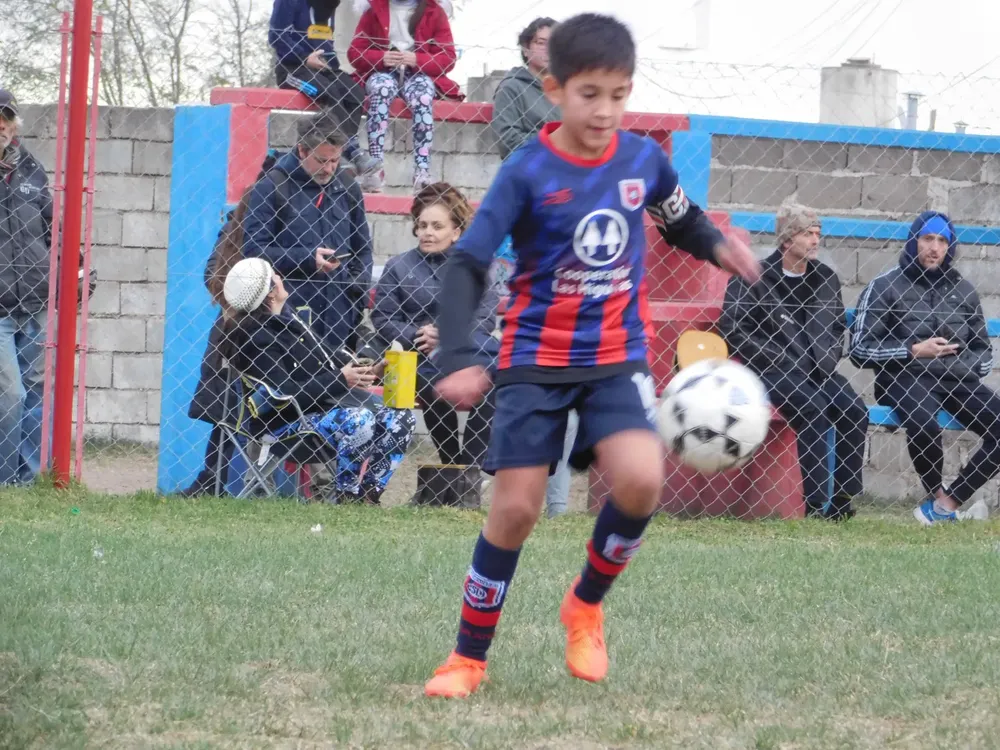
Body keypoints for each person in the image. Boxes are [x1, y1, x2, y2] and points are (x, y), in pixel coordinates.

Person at [421, 14, 760, 698]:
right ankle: (467, 658)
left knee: (640, 481)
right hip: (535, 358)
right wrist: (455, 354)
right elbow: (466, 263)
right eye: (590, 94)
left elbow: (681, 218)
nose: (605, 110)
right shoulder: (527, 173)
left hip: (615, 356)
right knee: (515, 511)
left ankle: (585, 603)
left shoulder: (642, 160)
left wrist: (717, 246)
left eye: (619, 94)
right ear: (554, 89)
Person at [225, 257, 416, 504]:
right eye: (275, 276)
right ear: (270, 293)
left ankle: (368, 495)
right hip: (284, 425)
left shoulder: (290, 320)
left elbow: (328, 359)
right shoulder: (259, 337)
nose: (280, 278)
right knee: (359, 419)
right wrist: (340, 379)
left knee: (401, 418)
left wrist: (367, 371)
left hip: (320, 411)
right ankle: (346, 496)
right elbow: (283, 394)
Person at [719, 203, 867, 520]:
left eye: (817, 233)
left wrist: (827, 359)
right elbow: (733, 329)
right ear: (787, 241)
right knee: (813, 407)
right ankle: (814, 505)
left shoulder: (826, 278)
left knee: (854, 410)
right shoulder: (754, 277)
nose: (815, 240)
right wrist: (778, 357)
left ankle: (842, 502)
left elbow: (836, 328)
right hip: (773, 371)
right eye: (806, 234)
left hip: (818, 370)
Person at [851, 211, 994, 525]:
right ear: (913, 242)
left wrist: (959, 365)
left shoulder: (964, 291)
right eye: (927, 238)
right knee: (924, 423)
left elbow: (984, 352)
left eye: (942, 240)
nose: (935, 247)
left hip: (955, 379)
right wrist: (912, 351)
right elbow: (859, 349)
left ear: (950, 247)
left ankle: (946, 503)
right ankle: (938, 498)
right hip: (905, 376)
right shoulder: (884, 286)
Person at [372, 183, 497, 499]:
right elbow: (383, 319)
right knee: (433, 382)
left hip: (466, 352)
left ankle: (467, 467)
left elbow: (485, 317)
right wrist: (420, 334)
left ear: (456, 232)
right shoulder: (399, 266)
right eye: (422, 225)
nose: (427, 232)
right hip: (413, 356)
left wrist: (446, 334)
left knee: (490, 375)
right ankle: (458, 472)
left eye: (437, 226)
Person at [0, 90, 96, 485]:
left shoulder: (31, 170)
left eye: (5, 121)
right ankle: (6, 481)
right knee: (11, 396)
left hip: (37, 301)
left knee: (40, 394)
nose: (0, 128)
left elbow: (58, 229)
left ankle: (32, 480)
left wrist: (77, 270)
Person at [242, 113, 372, 353]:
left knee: (337, 386)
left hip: (339, 317)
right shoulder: (272, 186)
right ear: (302, 150)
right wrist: (307, 259)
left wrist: (356, 293)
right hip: (288, 317)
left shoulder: (347, 187)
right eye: (322, 160)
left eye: (335, 160)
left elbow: (363, 249)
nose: (329, 168)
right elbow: (252, 251)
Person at [347, 0, 462, 192]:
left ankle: (422, 172)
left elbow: (448, 57)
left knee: (424, 96)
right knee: (380, 90)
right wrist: (381, 57)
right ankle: (376, 168)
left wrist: (418, 59)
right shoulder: (374, 9)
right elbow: (355, 53)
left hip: (419, 73)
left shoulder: (434, 12)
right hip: (383, 71)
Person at [268, 0, 380, 178]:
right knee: (328, 92)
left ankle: (345, 154)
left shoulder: (330, 4)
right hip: (293, 67)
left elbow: (325, 40)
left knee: (354, 93)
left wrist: (329, 60)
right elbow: (276, 36)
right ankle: (350, 151)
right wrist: (303, 57)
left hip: (322, 67)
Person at [491, 17, 559, 159]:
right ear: (526, 49)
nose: (548, 49)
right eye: (541, 43)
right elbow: (508, 142)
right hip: (528, 168)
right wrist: (558, 141)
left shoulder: (568, 90)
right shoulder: (511, 87)